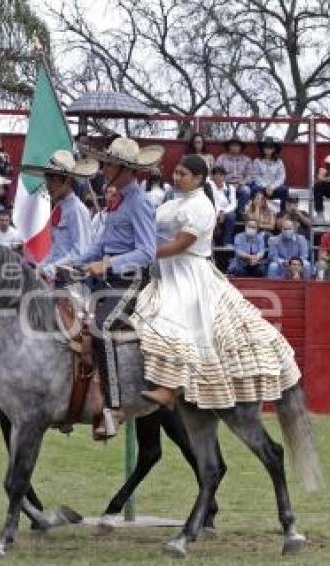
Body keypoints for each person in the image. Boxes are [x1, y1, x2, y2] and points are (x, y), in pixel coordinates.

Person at [136, 154, 301, 410]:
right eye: (176, 172)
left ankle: (169, 387)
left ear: (199, 178)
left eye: (183, 174)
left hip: (189, 271)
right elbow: (150, 225)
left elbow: (182, 244)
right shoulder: (173, 202)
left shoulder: (201, 206)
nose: (176, 177)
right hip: (165, 271)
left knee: (173, 320)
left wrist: (145, 252)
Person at [73, 138, 161, 438]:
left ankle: (114, 407)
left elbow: (148, 251)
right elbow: (100, 245)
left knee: (100, 326)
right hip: (107, 280)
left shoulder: (140, 202)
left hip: (131, 280)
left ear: (122, 169)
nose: (103, 167)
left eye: (108, 163)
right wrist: (77, 262)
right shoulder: (118, 200)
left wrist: (108, 263)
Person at [19, 149, 97, 276]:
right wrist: (40, 267)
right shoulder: (58, 207)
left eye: (53, 180)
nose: (48, 185)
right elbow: (56, 250)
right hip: (55, 276)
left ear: (67, 181)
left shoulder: (77, 209)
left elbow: (81, 252)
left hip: (70, 281)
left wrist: (48, 269)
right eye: (47, 179)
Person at [250, 136, 288, 212]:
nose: (267, 149)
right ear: (262, 148)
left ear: (274, 149)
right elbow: (255, 176)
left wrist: (272, 187)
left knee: (284, 189)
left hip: (275, 187)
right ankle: (254, 212)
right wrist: (266, 186)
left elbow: (281, 177)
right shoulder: (257, 161)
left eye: (270, 147)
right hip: (261, 187)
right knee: (254, 189)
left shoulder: (279, 162)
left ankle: (282, 213)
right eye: (265, 147)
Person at [215, 137, 253, 211]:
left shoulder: (247, 160)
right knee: (219, 191)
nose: (234, 147)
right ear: (228, 146)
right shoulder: (221, 158)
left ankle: (239, 211)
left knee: (246, 190)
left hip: (240, 185)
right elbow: (216, 173)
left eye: (237, 145)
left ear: (240, 147)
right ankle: (226, 211)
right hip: (225, 184)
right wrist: (226, 183)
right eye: (232, 145)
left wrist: (240, 183)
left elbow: (250, 176)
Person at [208, 165, 236, 245]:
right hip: (213, 211)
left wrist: (223, 212)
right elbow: (212, 202)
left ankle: (227, 241)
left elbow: (233, 204)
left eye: (221, 175)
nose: (219, 177)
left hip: (226, 212)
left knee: (231, 216)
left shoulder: (230, 188)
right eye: (216, 175)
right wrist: (218, 212)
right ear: (212, 176)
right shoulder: (209, 187)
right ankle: (210, 241)